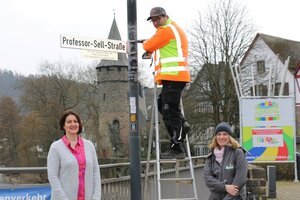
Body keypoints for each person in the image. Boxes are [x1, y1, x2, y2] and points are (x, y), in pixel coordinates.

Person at [143, 7, 191, 159]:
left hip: (174, 76)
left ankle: (178, 143)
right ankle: (181, 128)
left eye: (157, 19)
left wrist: (146, 44)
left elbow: (149, 46)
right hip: (174, 77)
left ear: (165, 17)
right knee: (161, 104)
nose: (155, 22)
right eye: (153, 20)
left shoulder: (166, 30)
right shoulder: (170, 29)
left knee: (169, 109)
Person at [47, 110, 101, 200]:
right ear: (63, 126)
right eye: (69, 122)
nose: (73, 124)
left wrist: (96, 197)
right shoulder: (56, 147)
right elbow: (53, 177)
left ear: (79, 124)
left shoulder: (89, 145)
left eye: (75, 121)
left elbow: (96, 172)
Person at [204, 122, 248, 200]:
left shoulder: (238, 153)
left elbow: (241, 178)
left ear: (229, 136)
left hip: (235, 197)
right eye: (219, 134)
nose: (222, 137)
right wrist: (225, 187)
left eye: (225, 134)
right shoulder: (211, 157)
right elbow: (208, 179)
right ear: (215, 137)